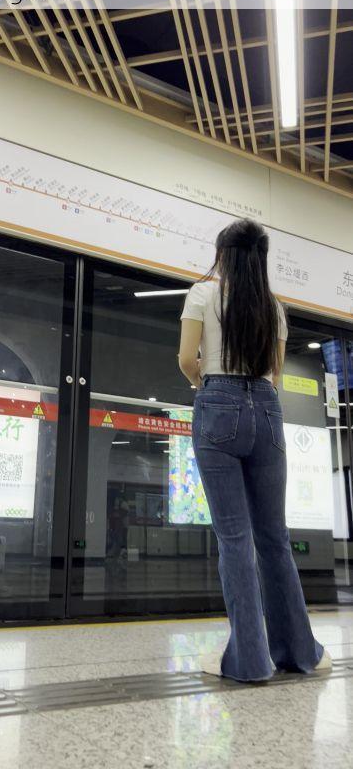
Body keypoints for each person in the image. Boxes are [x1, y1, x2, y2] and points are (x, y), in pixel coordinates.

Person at [178, 218, 331, 683]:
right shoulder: (274, 307)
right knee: (274, 538)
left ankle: (250, 661)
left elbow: (186, 359)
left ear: (223, 256)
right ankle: (299, 653)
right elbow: (275, 373)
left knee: (234, 537)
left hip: (218, 404)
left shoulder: (202, 295)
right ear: (260, 259)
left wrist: (205, 384)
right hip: (266, 409)